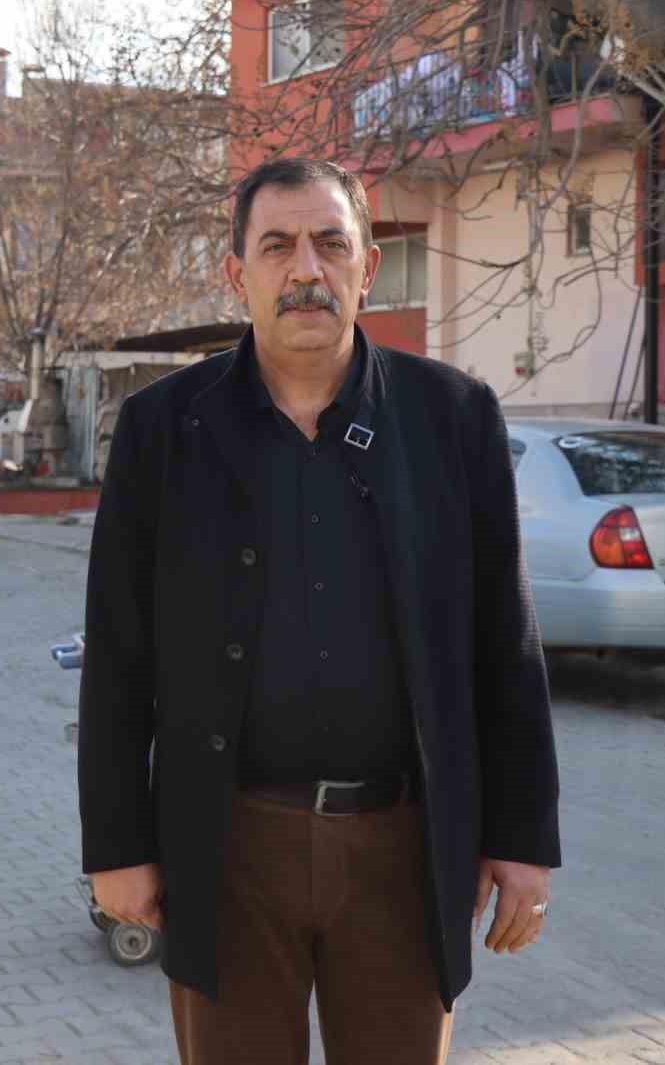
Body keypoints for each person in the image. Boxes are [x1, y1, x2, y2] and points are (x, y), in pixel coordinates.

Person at [78, 158, 562, 1065]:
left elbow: (507, 643)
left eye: (330, 244)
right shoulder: (162, 430)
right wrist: (115, 848)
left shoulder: (453, 418)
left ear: (367, 267)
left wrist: (523, 839)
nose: (306, 269)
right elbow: (117, 656)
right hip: (225, 847)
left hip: (404, 852)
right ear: (239, 275)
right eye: (278, 246)